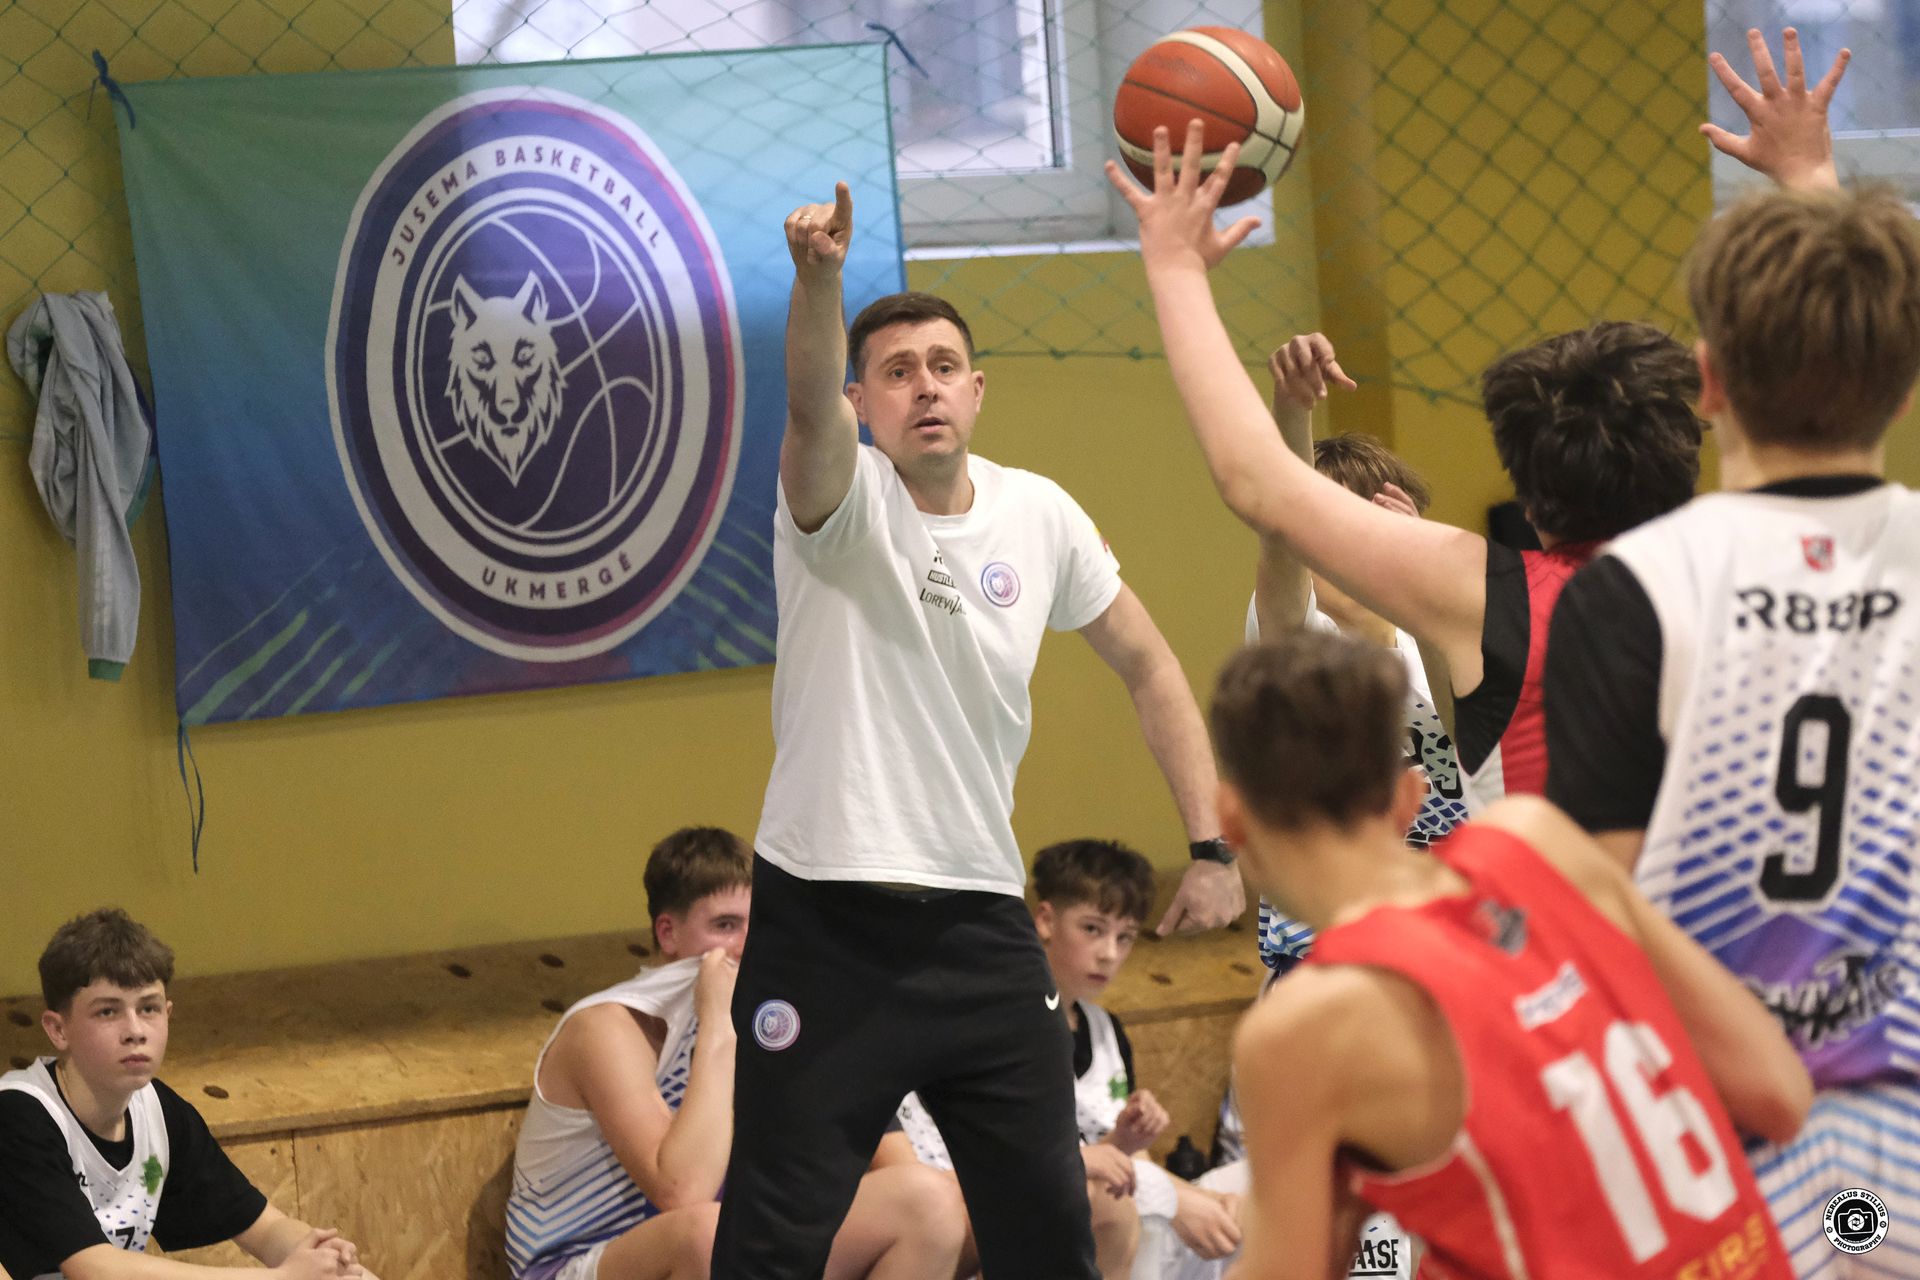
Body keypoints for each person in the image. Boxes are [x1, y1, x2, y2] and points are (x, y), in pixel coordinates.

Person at [712, 182, 1242, 1280]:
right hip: (825, 924)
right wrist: (818, 282)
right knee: (769, 1244)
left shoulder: (1040, 514)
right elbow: (806, 404)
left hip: (981, 928)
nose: (926, 387)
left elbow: (1149, 663)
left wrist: (1210, 842)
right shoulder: (838, 501)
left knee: (1051, 1237)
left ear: (978, 389)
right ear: (863, 402)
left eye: (944, 366)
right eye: (897, 372)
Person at [1546, 28, 1920, 1277]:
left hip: (1715, 1132)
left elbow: (1602, 909)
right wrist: (1817, 191)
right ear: (1901, 382)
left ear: (1704, 382)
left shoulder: (1637, 589)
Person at [1112, 146, 1704, 814]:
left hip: (1535, 882)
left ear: (1529, 496)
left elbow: (1259, 484)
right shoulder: (1749, 575)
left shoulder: (1488, 594)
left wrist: (1177, 268)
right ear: (1688, 451)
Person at [1209, 630, 1810, 1278]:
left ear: (1231, 818)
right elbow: (1779, 1093)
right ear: (1409, 798)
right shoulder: (1538, 837)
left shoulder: (1302, 1026)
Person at [506, 827, 966, 1280]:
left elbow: (892, 1164)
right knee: (711, 1236)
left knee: (931, 1203)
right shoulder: (605, 1027)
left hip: (728, 1250)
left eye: (759, 924)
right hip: (582, 1261)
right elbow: (683, 1192)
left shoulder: (771, 1015)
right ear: (668, 933)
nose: (749, 946)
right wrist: (719, 1026)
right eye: (725, 925)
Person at [890, 839, 1242, 1280]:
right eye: (1092, 929)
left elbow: (1115, 1163)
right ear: (1045, 920)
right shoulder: (984, 1024)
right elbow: (1019, 1169)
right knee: (1136, 1205)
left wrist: (1128, 1143)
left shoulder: (1105, 1030)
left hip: (1097, 1210)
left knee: (1247, 1199)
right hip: (991, 1224)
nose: (1109, 953)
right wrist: (1173, 1197)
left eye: (1125, 937)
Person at [0, 909, 376, 1280]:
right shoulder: (18, 1113)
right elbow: (96, 1270)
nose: (135, 1031)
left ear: (167, 1013)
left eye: (148, 1008)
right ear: (58, 1029)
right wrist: (284, 1278)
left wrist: (320, 1256)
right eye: (107, 1012)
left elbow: (265, 1228)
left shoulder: (158, 1111)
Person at [1243, 390, 1469, 971]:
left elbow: (1463, 736)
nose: (1353, 545)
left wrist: (1431, 582)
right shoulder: (1297, 634)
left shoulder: (1439, 636)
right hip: (1324, 951)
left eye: (1370, 524)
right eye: (1331, 526)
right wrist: (1293, 409)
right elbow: (1281, 523)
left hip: (1443, 940)